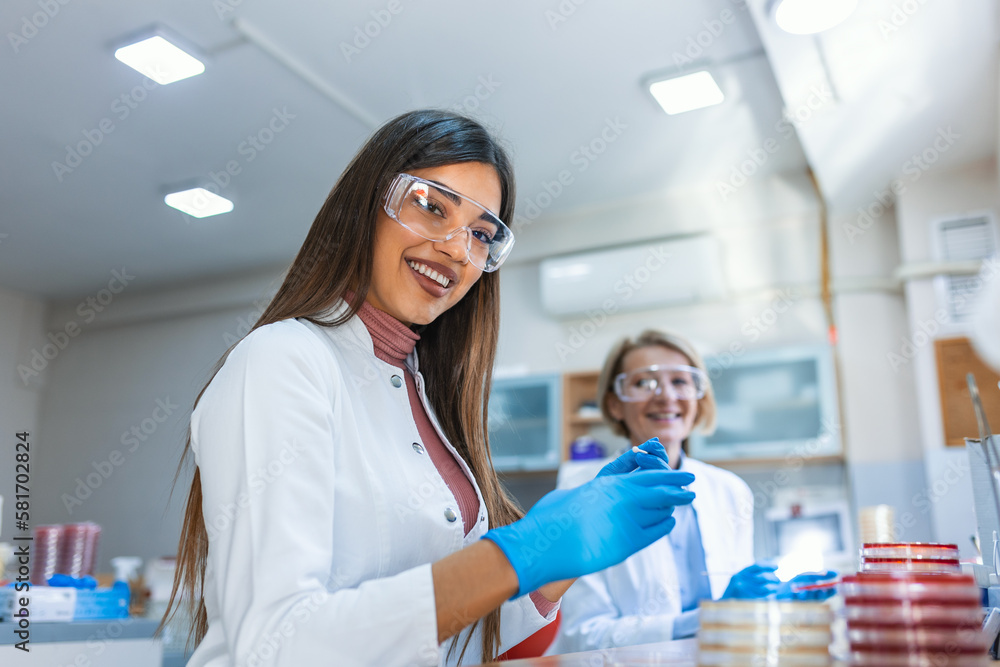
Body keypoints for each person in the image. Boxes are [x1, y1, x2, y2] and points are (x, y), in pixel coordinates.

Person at [160, 110, 695, 667]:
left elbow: (442, 638)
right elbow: (276, 645)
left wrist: (555, 564)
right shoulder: (282, 360)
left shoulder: (425, 399)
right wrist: (518, 553)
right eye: (432, 206)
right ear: (367, 204)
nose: (457, 250)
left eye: (482, 234)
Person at [551, 329, 834, 652]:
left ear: (699, 398)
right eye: (644, 382)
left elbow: (738, 615)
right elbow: (583, 636)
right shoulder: (582, 492)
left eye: (681, 381)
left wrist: (777, 602)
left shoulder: (731, 491)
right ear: (615, 404)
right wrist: (707, 619)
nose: (666, 396)